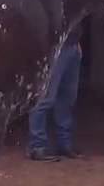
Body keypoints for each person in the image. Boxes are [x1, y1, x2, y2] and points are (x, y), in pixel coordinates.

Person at [27, 28, 83, 161]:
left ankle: (64, 144)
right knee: (45, 98)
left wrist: (76, 42)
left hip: (71, 43)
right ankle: (37, 146)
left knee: (67, 98)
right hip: (52, 46)